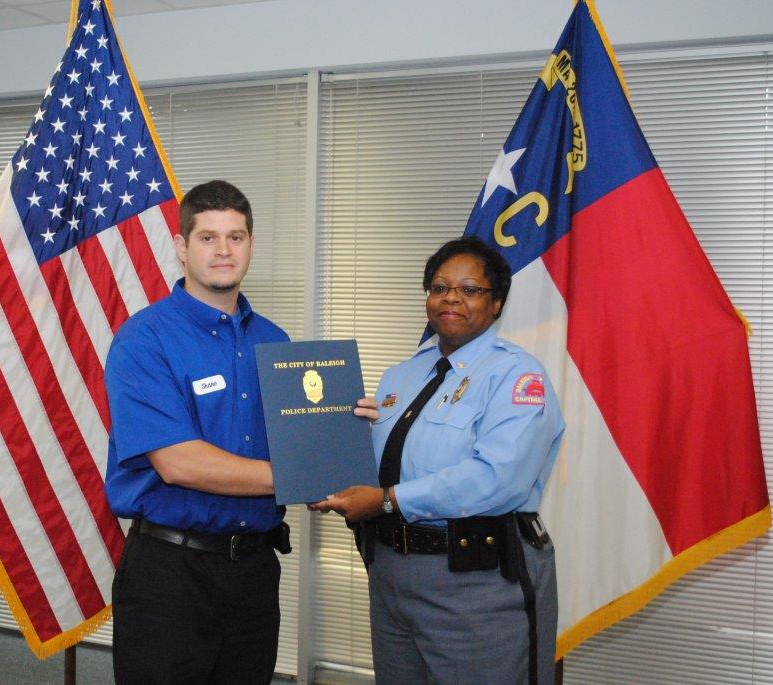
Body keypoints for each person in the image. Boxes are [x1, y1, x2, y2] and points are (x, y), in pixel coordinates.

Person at [104, 180, 375, 684]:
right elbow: (178, 463)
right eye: (207, 237)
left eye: (236, 236)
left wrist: (342, 429)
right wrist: (301, 474)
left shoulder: (276, 342)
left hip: (253, 570)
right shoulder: (144, 339)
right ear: (182, 247)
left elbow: (296, 440)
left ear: (251, 244)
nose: (223, 250)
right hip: (170, 573)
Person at [311, 236, 565, 685]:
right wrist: (325, 474)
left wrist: (386, 500)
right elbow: (384, 462)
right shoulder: (402, 375)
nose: (451, 298)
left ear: (497, 302)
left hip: (477, 584)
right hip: (392, 575)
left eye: (470, 290)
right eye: (439, 287)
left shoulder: (518, 377)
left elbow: (496, 481)